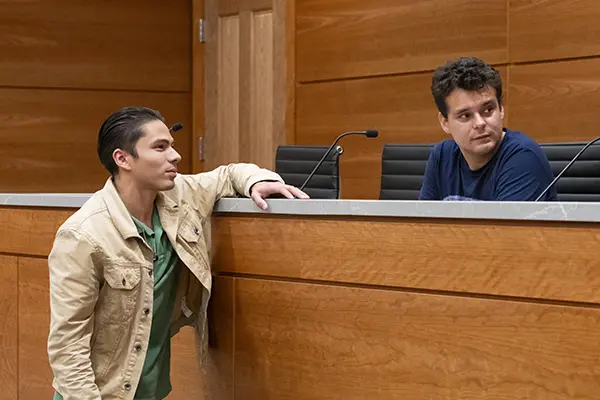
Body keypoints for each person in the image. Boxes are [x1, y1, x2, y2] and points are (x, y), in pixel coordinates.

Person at [47, 106, 309, 400]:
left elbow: (228, 174)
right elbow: (67, 345)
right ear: (122, 158)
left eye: (171, 145)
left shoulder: (179, 196)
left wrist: (257, 181)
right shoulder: (83, 235)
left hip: (151, 390)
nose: (175, 156)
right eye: (160, 148)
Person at [419, 57, 557, 201]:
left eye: (488, 110)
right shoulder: (442, 157)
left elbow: (500, 224)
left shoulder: (523, 159)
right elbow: (421, 221)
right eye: (466, 115)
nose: (480, 123)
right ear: (445, 122)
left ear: (501, 109)